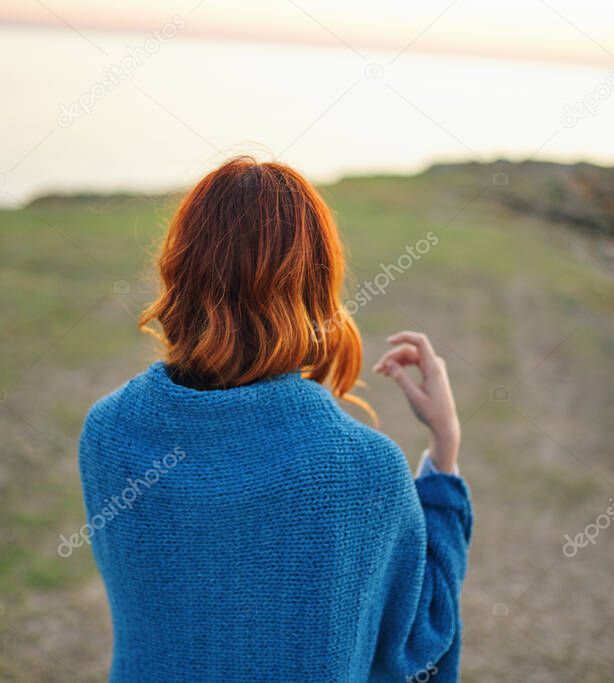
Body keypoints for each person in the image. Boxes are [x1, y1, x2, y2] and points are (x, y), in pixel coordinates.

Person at [78, 156, 472, 682]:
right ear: (316, 286)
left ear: (180, 268)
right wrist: (445, 448)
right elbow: (418, 644)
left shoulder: (108, 433)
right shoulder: (363, 470)